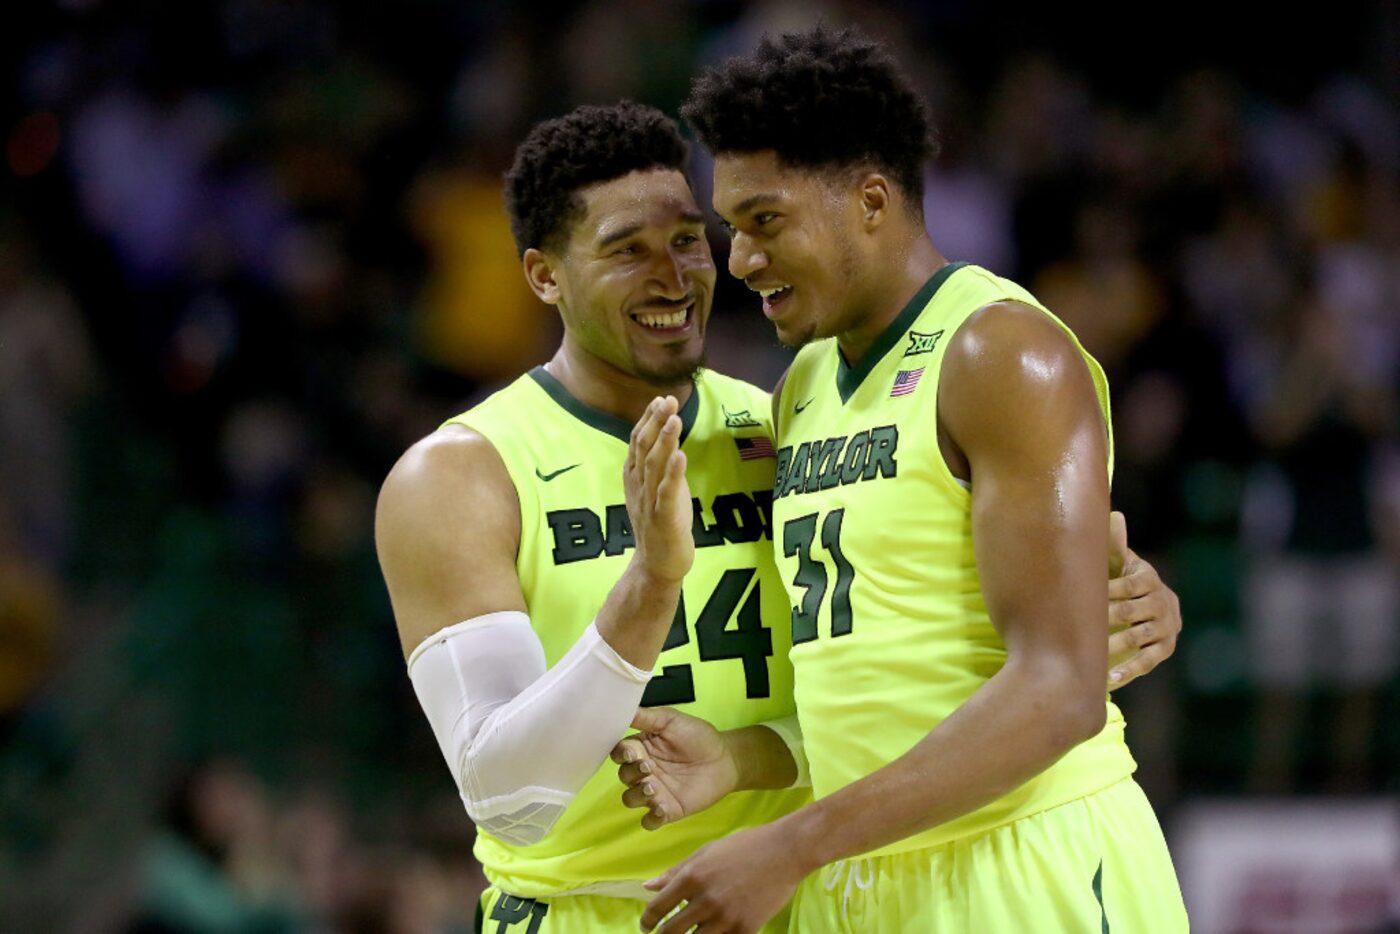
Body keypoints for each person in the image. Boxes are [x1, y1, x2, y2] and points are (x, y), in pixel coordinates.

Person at [375, 102, 1181, 932]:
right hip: (596, 910)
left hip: (793, 896)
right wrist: (651, 588)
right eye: (627, 251)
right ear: (545, 276)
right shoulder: (461, 475)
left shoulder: (782, 423)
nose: (674, 274)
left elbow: (878, 671)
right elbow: (506, 800)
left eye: (688, 239)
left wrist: (1118, 595)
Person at [623, 28, 1189, 933]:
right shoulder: (804, 386)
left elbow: (1060, 690)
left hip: (1021, 867)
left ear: (873, 202)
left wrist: (791, 843)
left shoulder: (1001, 353)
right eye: (732, 229)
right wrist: (744, 760)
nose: (738, 260)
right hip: (862, 878)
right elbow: (880, 678)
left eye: (765, 221)